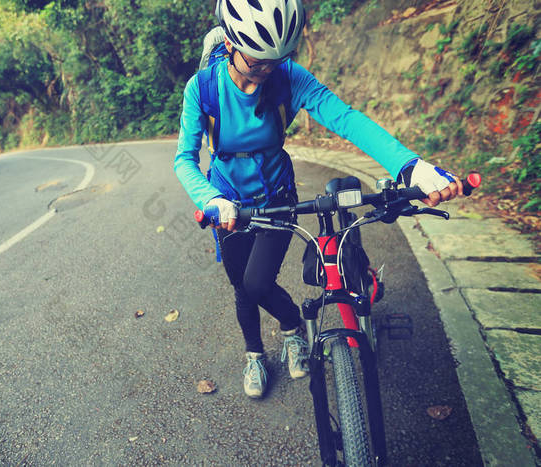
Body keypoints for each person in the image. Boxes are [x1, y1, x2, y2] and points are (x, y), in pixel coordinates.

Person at [174, 0, 463, 399]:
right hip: (226, 204)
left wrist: (409, 166)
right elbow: (184, 159)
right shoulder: (202, 88)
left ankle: (292, 328)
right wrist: (210, 198)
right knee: (241, 286)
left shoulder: (287, 77)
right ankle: (254, 353)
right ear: (230, 42)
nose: (265, 74)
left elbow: (344, 117)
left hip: (276, 197)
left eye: (276, 61)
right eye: (257, 63)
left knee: (257, 283)